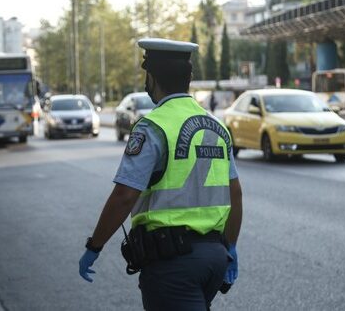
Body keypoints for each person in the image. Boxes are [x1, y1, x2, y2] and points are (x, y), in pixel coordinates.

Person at [79, 38, 243, 310]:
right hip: (215, 257)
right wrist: (231, 247)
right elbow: (235, 193)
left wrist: (94, 246)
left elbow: (124, 196)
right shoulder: (217, 127)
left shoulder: (152, 127)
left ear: (151, 78)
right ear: (188, 78)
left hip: (173, 264)